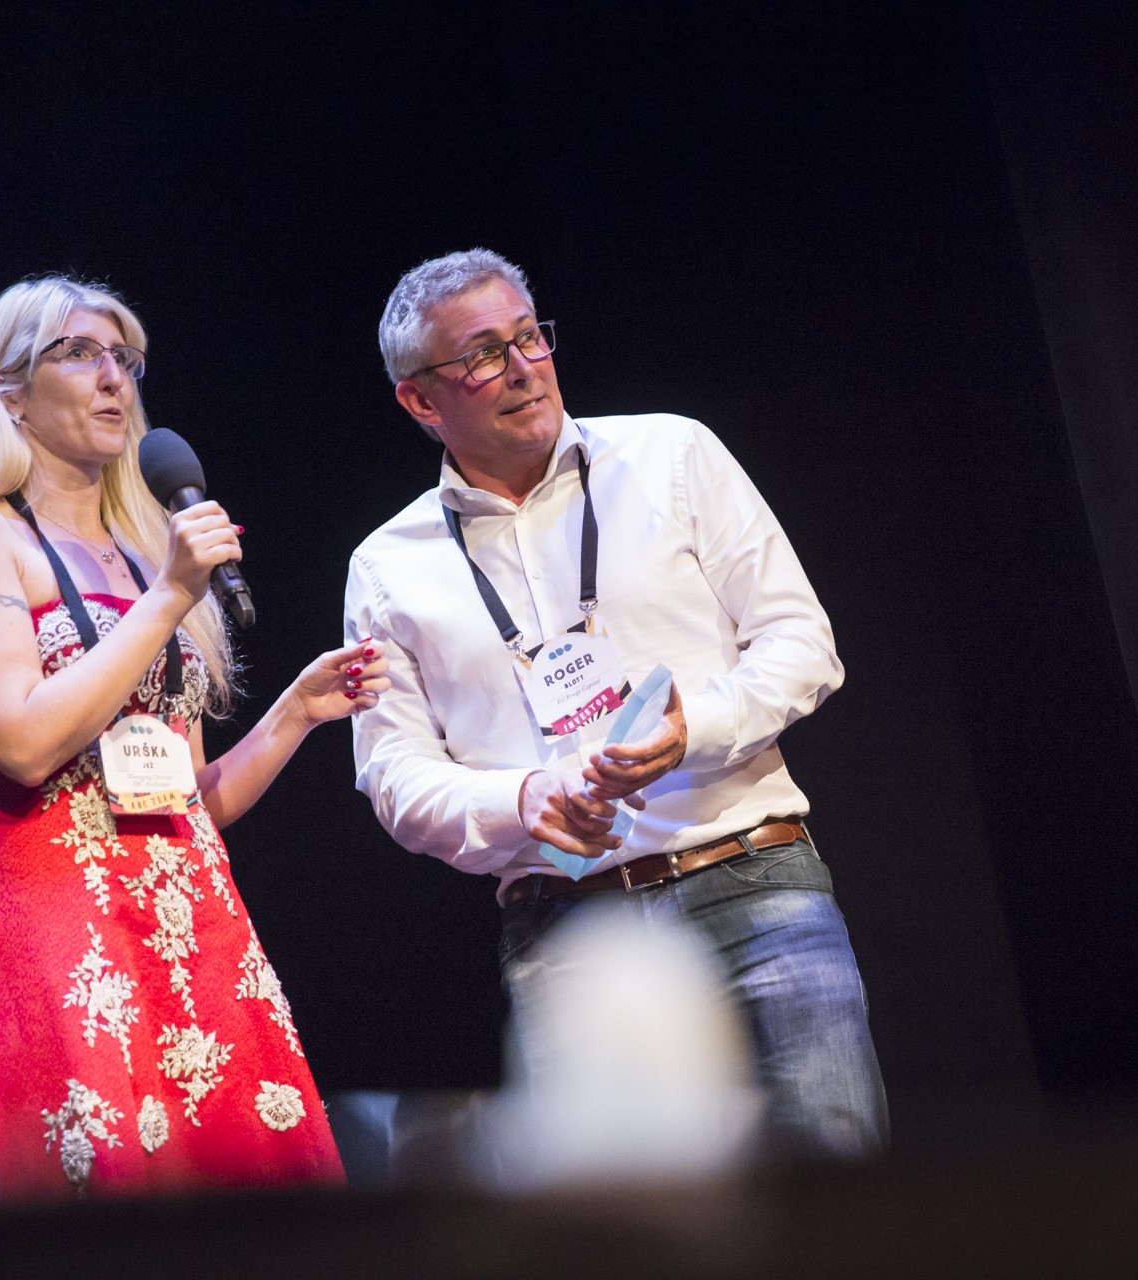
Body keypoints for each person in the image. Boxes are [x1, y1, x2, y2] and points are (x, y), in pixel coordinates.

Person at [345, 249, 888, 1158]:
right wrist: (524, 799)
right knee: (622, 1216)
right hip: (568, 924)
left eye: (530, 337)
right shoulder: (386, 567)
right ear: (419, 400)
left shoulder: (672, 454)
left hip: (750, 880)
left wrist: (692, 733)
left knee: (836, 1187)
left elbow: (801, 642)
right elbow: (395, 776)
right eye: (483, 355)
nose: (524, 367)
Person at [0, 275, 387, 1200]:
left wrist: (294, 712)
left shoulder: (142, 550)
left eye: (124, 359)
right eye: (78, 354)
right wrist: (171, 594)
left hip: (197, 922)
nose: (113, 379)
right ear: (9, 392)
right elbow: (21, 745)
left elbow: (190, 799)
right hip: (65, 920)